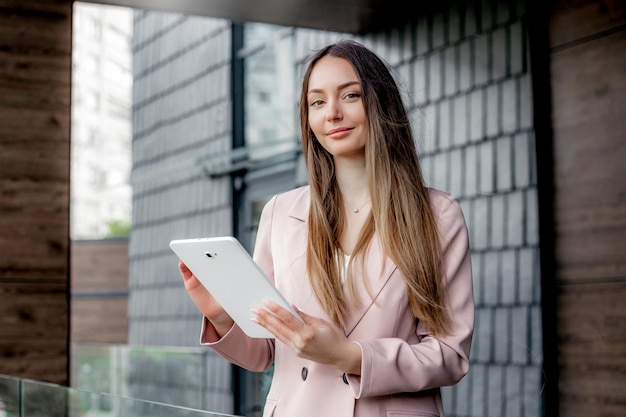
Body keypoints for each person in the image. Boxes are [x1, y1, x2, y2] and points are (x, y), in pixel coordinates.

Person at [179, 39, 474, 417]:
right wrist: (221, 315)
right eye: (317, 102)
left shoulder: (436, 214)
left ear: (380, 103)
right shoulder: (280, 213)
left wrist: (349, 356)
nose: (332, 113)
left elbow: (450, 355)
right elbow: (265, 354)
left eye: (350, 95)